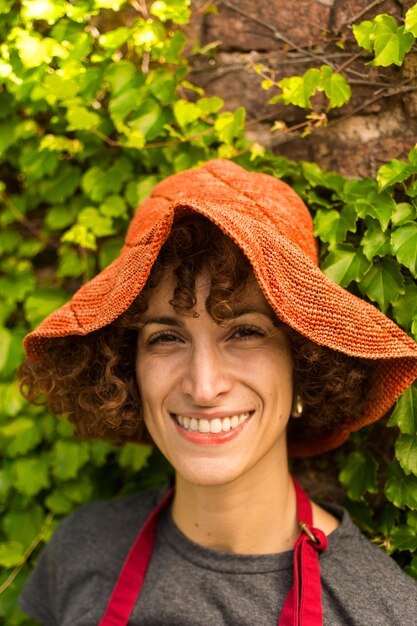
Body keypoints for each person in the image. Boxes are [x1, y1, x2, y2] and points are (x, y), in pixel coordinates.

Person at [19, 159, 417, 625]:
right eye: (166, 338)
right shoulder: (81, 548)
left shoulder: (384, 612)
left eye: (245, 333)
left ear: (306, 363)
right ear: (129, 370)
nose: (204, 387)